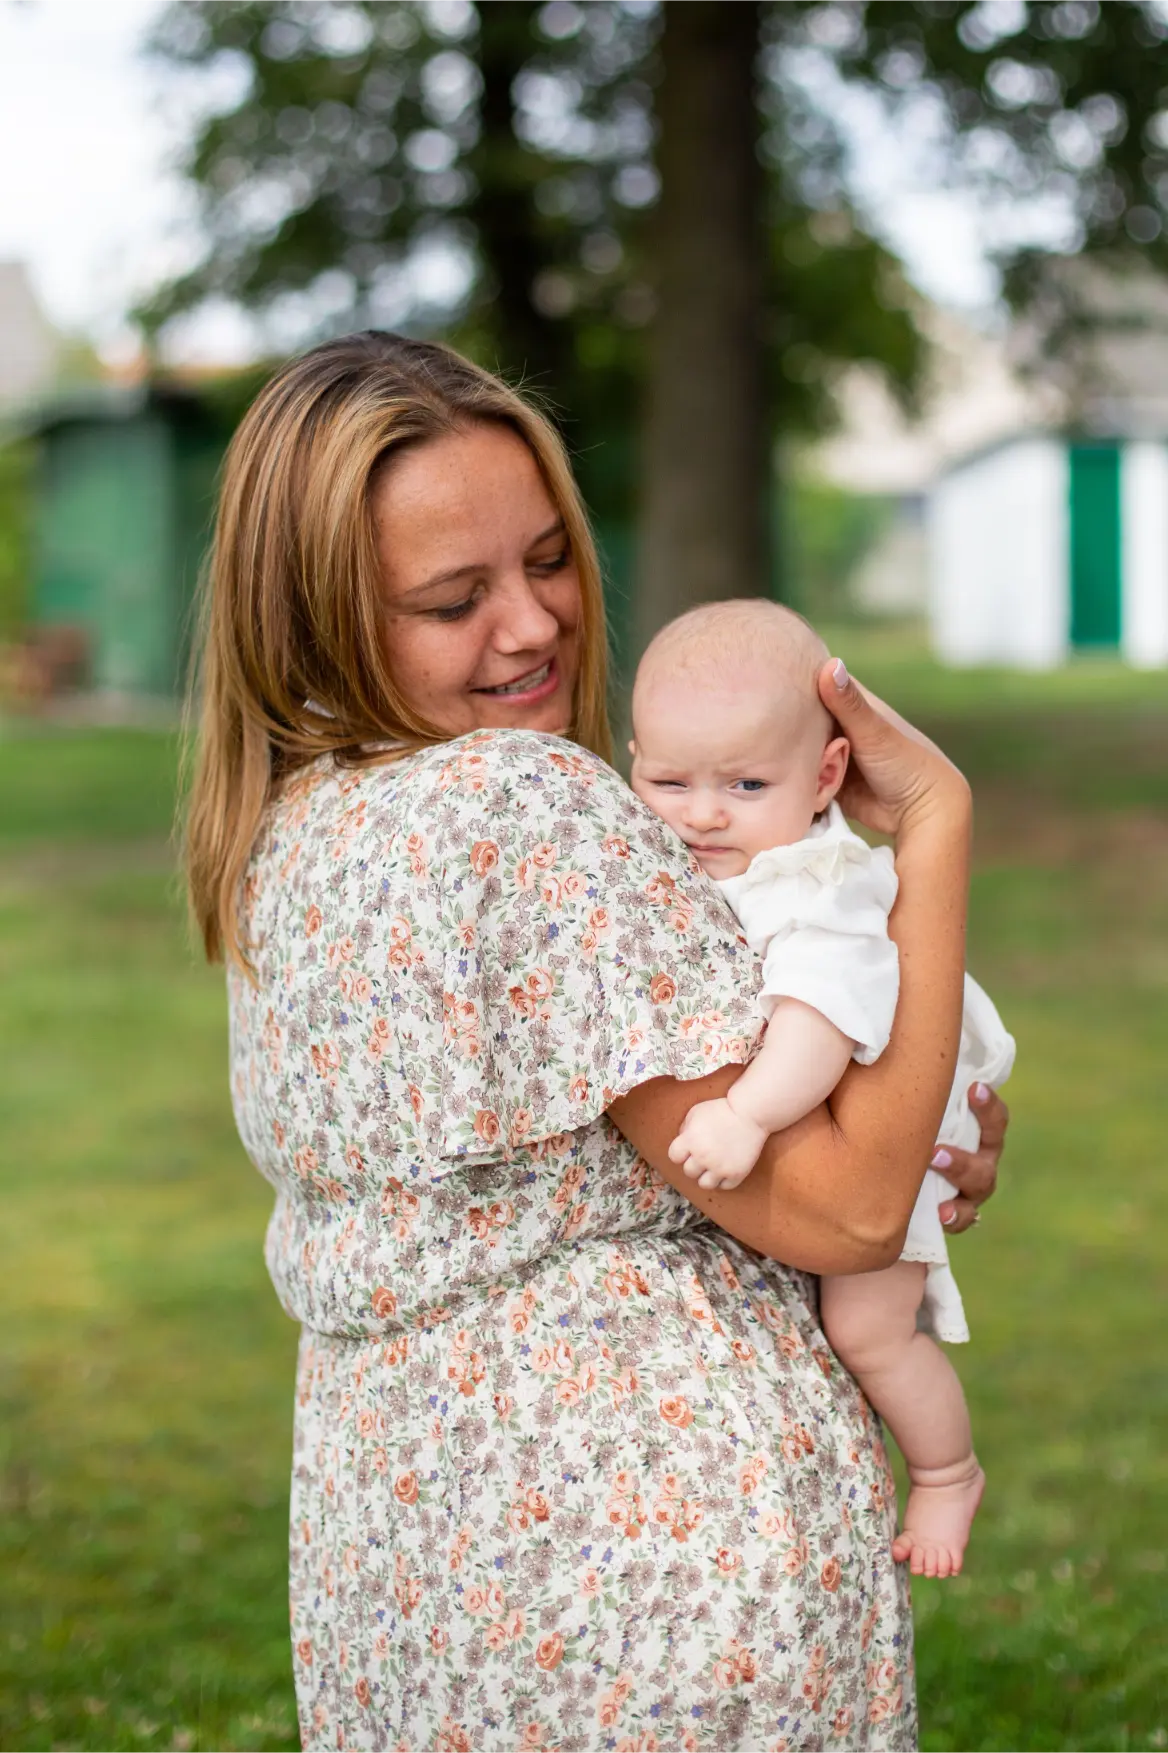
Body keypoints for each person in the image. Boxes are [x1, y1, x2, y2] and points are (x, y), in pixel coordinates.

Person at [184, 331, 1006, 1752]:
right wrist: (933, 827)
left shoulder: (287, 830)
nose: (531, 626)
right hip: (643, 1566)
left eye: (551, 558)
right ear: (316, 620)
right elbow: (850, 1209)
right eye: (453, 599)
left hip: (405, 1546)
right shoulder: (527, 807)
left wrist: (917, 1119)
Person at [628, 599, 1015, 1582]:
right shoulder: (708, 856)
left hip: (895, 1098)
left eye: (746, 784)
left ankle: (948, 1471)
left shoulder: (817, 883)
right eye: (668, 781)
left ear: (826, 776)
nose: (702, 813)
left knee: (868, 1328)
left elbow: (821, 1019)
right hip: (848, 1089)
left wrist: (746, 1113)